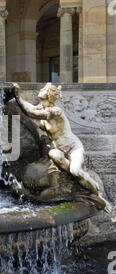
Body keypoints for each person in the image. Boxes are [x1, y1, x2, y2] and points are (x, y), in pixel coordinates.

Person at [14, 82, 111, 213]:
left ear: (49, 95)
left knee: (76, 171)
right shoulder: (42, 107)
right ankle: (70, 180)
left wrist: (17, 96)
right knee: (54, 155)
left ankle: (98, 195)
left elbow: (31, 113)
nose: (41, 89)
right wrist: (16, 98)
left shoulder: (56, 111)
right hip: (59, 149)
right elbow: (31, 107)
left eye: (44, 89)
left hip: (72, 147)